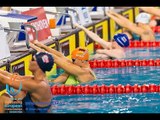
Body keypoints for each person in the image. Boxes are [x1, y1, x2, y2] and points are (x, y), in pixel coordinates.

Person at [29, 41, 96, 86]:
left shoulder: (81, 71)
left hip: (79, 97)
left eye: (73, 60)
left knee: (67, 73)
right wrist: (42, 45)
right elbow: (61, 56)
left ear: (82, 61)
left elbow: (54, 58)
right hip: (72, 89)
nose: (72, 61)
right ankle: (50, 83)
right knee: (67, 73)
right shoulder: (82, 66)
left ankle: (49, 83)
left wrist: (32, 46)